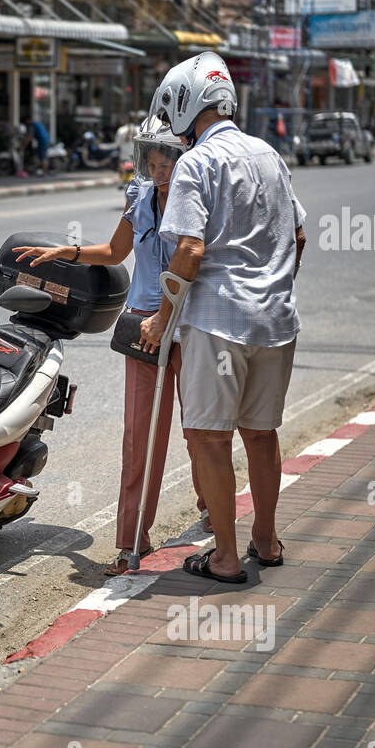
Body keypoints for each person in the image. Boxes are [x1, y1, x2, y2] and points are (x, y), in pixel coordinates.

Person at [11, 118, 206, 574]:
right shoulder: (140, 195)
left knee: (201, 430)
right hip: (143, 327)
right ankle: (130, 544)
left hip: (190, 324)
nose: (158, 170)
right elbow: (116, 251)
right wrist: (67, 253)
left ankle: (210, 508)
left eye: (166, 161)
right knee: (140, 438)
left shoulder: (197, 197)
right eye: (151, 160)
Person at [143, 51, 307, 583]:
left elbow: (188, 251)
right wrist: (273, 285)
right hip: (276, 323)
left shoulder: (196, 163)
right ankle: (267, 539)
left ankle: (226, 558)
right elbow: (298, 235)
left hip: (218, 323)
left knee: (209, 438)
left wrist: (161, 318)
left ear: (189, 105)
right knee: (261, 434)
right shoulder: (268, 154)